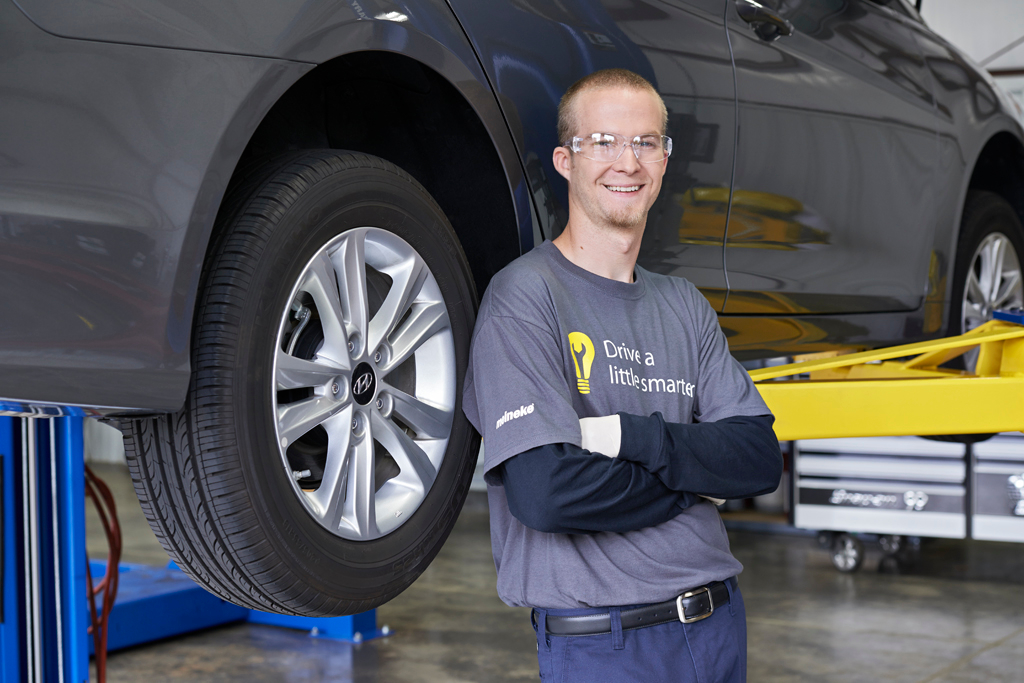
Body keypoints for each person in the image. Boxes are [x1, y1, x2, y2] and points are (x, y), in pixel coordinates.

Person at [461, 68, 783, 683]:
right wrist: (695, 482)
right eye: (603, 141)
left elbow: (758, 459)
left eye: (645, 143)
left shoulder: (683, 304)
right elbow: (547, 493)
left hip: (718, 627)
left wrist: (636, 440)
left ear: (664, 161)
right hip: (605, 648)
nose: (626, 162)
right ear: (565, 160)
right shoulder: (524, 298)